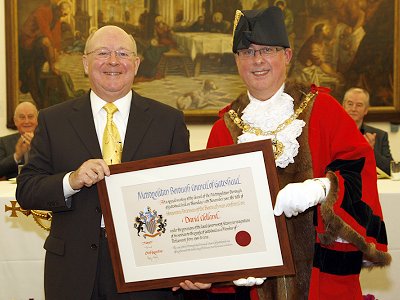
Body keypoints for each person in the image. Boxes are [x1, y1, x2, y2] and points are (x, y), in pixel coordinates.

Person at [205, 7, 390, 299]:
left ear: (287, 56)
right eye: (246, 52)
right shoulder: (223, 130)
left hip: (322, 280)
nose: (258, 60)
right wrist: (227, 263)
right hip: (252, 287)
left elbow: (360, 168)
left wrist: (322, 189)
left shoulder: (325, 110)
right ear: (236, 61)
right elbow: (211, 211)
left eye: (267, 49)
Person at [16, 25, 206, 300]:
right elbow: (27, 190)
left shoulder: (169, 121)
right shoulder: (53, 120)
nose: (113, 61)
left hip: (150, 269)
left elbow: (185, 198)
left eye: (123, 53)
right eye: (103, 53)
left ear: (137, 63)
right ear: (85, 62)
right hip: (73, 270)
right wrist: (71, 180)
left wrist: (194, 262)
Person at [19, 1, 71, 105]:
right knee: (30, 74)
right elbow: (45, 32)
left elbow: (56, 38)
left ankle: (42, 102)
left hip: (37, 46)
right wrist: (52, 64)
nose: (63, 16)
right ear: (58, 9)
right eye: (63, 13)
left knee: (36, 73)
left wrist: (56, 51)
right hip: (28, 43)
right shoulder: (43, 11)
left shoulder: (56, 18)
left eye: (65, 15)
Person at [342, 87, 394, 175]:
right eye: (350, 104)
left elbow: (390, 170)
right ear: (343, 106)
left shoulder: (380, 136)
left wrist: (370, 150)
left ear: (366, 110)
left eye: (359, 105)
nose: (353, 109)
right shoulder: (331, 134)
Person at [0, 101, 38, 180]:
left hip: (41, 185)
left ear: (37, 120)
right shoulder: (4, 142)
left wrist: (37, 146)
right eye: (22, 117)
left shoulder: (47, 139)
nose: (26, 121)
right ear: (15, 121)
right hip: (13, 189)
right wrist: (17, 155)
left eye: (30, 116)